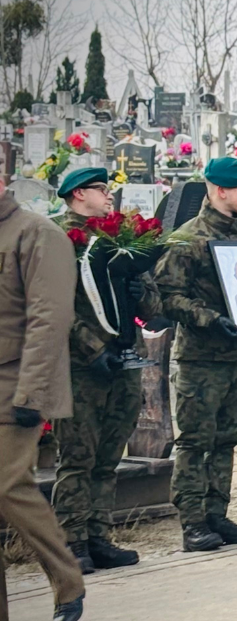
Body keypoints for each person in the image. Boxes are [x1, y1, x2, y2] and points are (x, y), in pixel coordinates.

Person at [155, 157, 237, 551]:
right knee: (195, 441)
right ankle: (193, 522)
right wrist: (210, 318)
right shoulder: (188, 238)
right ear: (220, 190)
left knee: (226, 439)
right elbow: (166, 297)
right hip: (201, 360)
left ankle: (217, 514)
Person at [52, 168, 162, 573]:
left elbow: (152, 302)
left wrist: (141, 292)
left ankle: (99, 535)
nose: (109, 195)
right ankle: (71, 542)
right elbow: (53, 305)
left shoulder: (121, 238)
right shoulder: (58, 238)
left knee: (109, 454)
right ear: (79, 194)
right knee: (77, 456)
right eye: (102, 189)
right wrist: (92, 347)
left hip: (123, 360)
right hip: (81, 366)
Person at [0, 176, 86, 621]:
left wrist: (32, 393)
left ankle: (67, 580)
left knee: (9, 486)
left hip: (15, 384)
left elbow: (50, 317)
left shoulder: (37, 233)